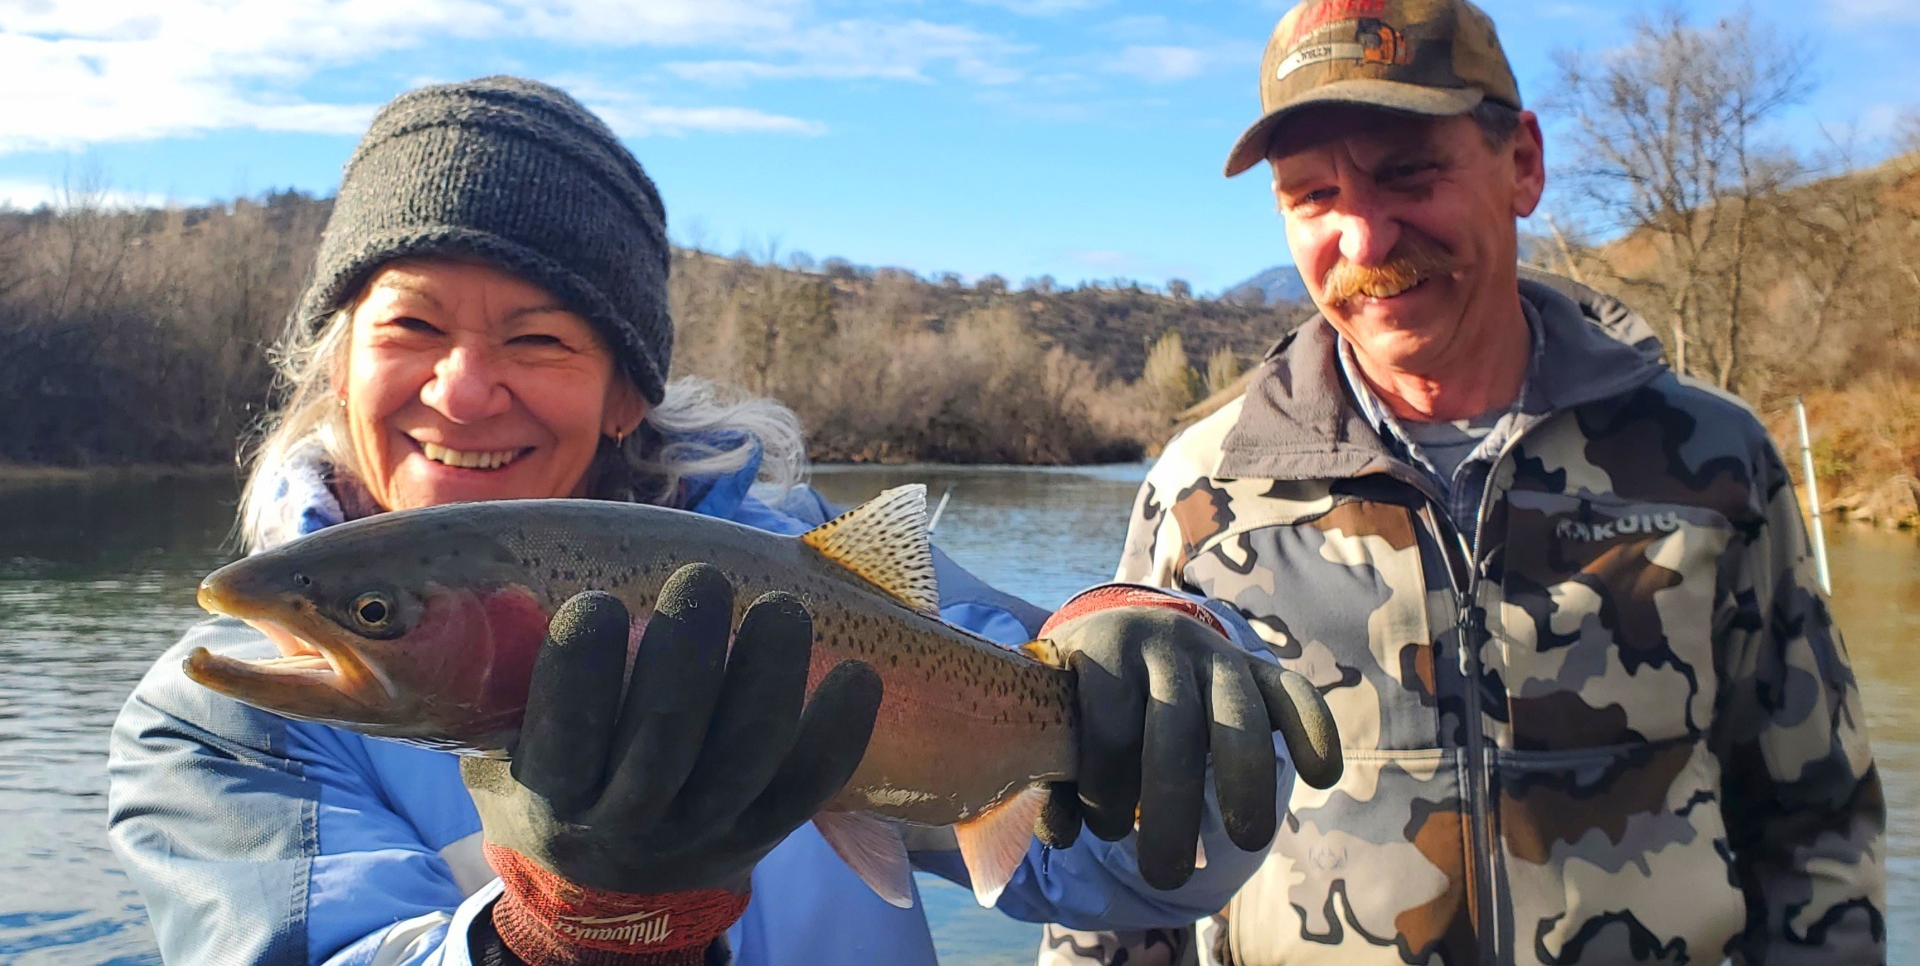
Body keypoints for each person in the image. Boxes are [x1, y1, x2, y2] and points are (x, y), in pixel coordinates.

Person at [105, 77, 1330, 966]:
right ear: (336, 362)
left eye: (538, 338)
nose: (464, 388)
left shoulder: (803, 567)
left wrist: (1153, 665)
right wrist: (560, 937)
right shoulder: (219, 717)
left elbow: (1126, 871)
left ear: (626, 386)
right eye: (410, 327)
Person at [1040, 0, 1885, 966]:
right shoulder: (1199, 493)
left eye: (1407, 174)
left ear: (1522, 162)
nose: (1363, 238)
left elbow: (1816, 824)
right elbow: (1118, 869)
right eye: (1313, 195)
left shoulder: (1716, 461)